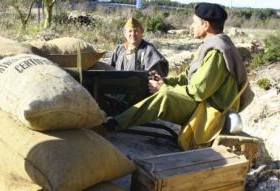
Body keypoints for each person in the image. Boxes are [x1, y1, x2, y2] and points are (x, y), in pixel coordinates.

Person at [104, 3, 252, 135]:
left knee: (166, 97)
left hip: (210, 109)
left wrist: (164, 88)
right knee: (153, 85)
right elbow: (185, 77)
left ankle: (115, 124)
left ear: (205, 25)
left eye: (194, 23)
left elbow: (199, 91)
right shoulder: (209, 46)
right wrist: (165, 81)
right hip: (202, 102)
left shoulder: (217, 52)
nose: (191, 26)